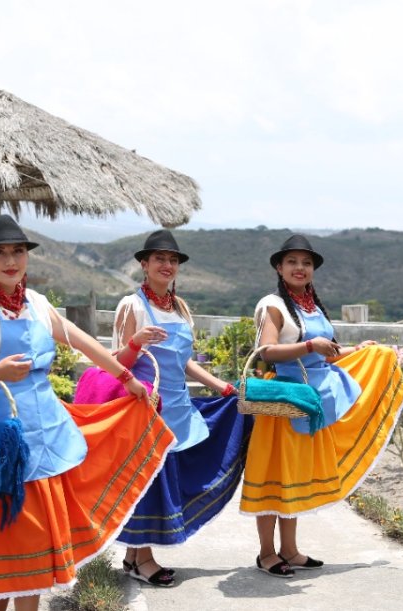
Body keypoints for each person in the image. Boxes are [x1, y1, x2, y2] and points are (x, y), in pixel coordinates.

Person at [0, 214, 175, 611]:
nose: (10, 261)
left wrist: (127, 379)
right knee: (0, 536)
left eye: (17, 251)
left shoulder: (37, 304)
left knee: (33, 542)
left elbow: (86, 344)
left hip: (45, 434)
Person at [241, 234, 403, 577]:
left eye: (306, 263)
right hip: (286, 399)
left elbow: (326, 353)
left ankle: (290, 550)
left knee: (294, 475)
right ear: (279, 267)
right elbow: (267, 352)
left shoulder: (311, 305)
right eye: (292, 262)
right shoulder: (273, 304)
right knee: (273, 476)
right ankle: (267, 553)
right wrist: (309, 346)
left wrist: (357, 351)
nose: (300, 268)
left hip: (312, 399)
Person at [111, 229, 252, 587]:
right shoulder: (132, 306)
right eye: (159, 258)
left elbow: (184, 361)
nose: (167, 265)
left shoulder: (179, 308)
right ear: (144, 264)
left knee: (163, 480)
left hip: (178, 408)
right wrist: (135, 342)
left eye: (172, 260)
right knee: (149, 482)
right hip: (146, 407)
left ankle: (133, 557)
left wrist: (221, 387)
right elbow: (116, 363)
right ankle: (144, 559)